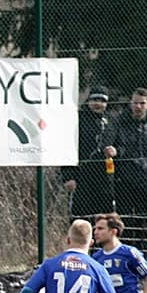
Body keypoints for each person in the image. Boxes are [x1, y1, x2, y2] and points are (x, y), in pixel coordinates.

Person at [104, 88, 147, 256]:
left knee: (144, 221)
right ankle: (125, 256)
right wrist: (114, 151)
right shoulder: (119, 122)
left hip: (146, 179)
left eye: (142, 103)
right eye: (135, 103)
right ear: (130, 103)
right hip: (124, 179)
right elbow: (109, 144)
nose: (138, 106)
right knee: (125, 220)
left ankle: (142, 257)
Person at [62, 86, 114, 221]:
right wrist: (68, 176)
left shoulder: (111, 121)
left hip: (105, 178)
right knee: (81, 217)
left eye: (102, 101)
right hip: (81, 176)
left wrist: (115, 151)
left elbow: (121, 145)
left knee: (104, 218)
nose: (98, 104)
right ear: (89, 101)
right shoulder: (77, 120)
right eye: (95, 100)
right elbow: (67, 149)